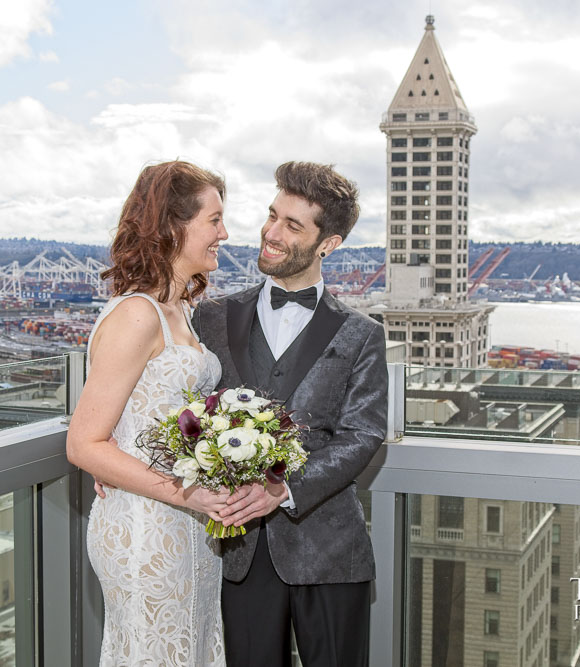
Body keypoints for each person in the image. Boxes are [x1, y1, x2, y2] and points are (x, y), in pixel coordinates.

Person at [192, 161, 388, 667]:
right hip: (240, 552)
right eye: (272, 216)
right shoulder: (211, 316)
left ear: (329, 243)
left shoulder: (361, 333)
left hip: (331, 551)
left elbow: (362, 434)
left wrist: (283, 488)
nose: (271, 233)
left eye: (292, 225)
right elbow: (178, 403)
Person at [66, 160, 231, 666]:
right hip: (146, 528)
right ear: (174, 226)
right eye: (214, 220)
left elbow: (151, 414)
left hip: (190, 524)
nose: (225, 233)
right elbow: (83, 443)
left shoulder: (179, 309)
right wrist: (191, 493)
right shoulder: (138, 313)